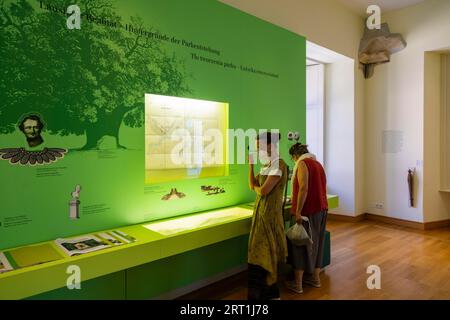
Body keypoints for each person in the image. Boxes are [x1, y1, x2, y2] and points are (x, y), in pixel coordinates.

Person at [247, 132, 288, 300]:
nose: (258, 150)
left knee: (267, 253)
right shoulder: (268, 165)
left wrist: (259, 189)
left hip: (269, 217)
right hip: (260, 214)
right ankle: (261, 295)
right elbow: (252, 185)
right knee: (256, 253)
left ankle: (271, 294)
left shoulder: (279, 164)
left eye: (260, 147)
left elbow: (263, 190)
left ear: (270, 146)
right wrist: (250, 166)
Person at [285, 143, 328, 294]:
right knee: (317, 242)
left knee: (299, 244)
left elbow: (304, 187)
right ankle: (315, 278)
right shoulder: (318, 164)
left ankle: (298, 284)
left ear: (295, 156)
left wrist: (297, 211)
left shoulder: (302, 164)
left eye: (292, 158)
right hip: (321, 208)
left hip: (307, 211)